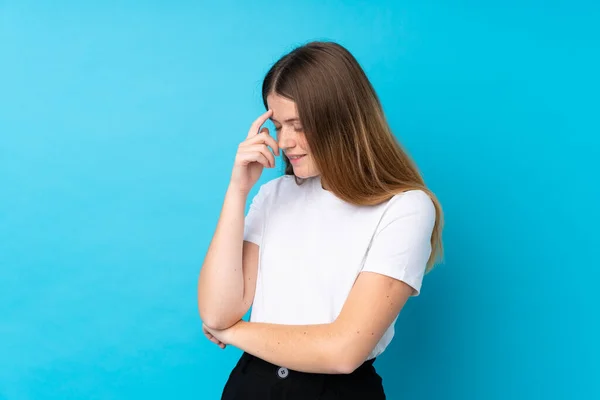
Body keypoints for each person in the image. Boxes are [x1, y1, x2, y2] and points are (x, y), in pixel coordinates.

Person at [197, 41, 444, 399]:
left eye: (298, 125)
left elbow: (343, 352)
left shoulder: (405, 208)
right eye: (279, 126)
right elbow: (218, 309)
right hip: (251, 385)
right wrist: (237, 191)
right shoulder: (273, 196)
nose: (285, 142)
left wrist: (231, 332)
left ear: (341, 118)